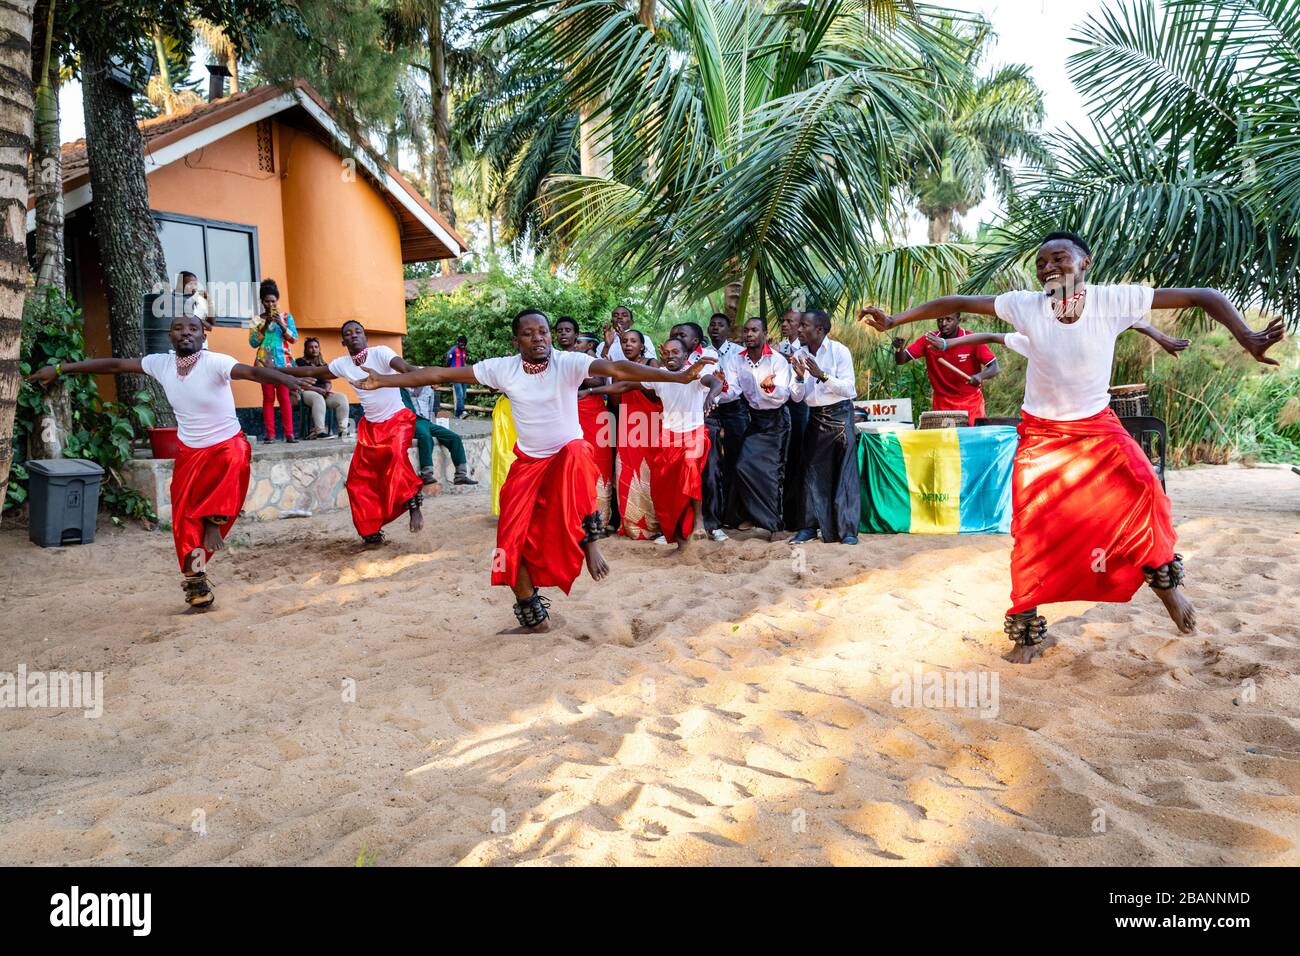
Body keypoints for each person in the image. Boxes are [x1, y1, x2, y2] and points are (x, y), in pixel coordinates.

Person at [860, 230, 1285, 663]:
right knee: (1030, 529)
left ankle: (1166, 585)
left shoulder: (1112, 300)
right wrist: (896, 322)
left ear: (1086, 262)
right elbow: (955, 302)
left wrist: (1247, 337)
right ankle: (1025, 635)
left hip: (1098, 427)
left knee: (1145, 489)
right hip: (1042, 434)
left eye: (1058, 258)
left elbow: (1204, 295)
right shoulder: (1025, 306)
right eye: (1040, 263)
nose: (1047, 268)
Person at [354, 308, 715, 632]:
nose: (539, 338)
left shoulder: (568, 362)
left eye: (543, 331)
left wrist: (680, 379)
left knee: (576, 450)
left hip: (568, 460)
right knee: (509, 544)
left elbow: (618, 368)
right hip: (528, 465)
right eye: (529, 333)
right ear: (517, 340)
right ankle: (532, 614)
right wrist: (382, 381)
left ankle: (589, 542)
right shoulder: (502, 368)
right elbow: (438, 374)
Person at [27, 314, 302, 608]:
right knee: (183, 519)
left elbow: (251, 372)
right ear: (170, 337)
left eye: (193, 329)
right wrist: (59, 368)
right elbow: (115, 365)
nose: (186, 333)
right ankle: (196, 580)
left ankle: (214, 521)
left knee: (236, 455)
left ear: (203, 336)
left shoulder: (216, 362)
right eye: (178, 329)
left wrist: (288, 379)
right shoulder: (162, 364)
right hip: (190, 452)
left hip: (225, 444)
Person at [284, 320, 425, 545]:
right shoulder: (342, 364)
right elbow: (311, 370)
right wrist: (275, 372)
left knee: (396, 457)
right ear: (343, 341)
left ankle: (413, 504)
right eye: (348, 334)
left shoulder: (381, 353)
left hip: (397, 420)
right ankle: (371, 531)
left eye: (358, 332)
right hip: (371, 428)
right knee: (358, 481)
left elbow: (405, 368)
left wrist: (419, 380)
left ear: (365, 336)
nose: (354, 336)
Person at [790, 310, 861, 545]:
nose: (799, 330)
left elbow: (850, 389)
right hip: (816, 416)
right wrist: (800, 378)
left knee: (844, 473)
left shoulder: (839, 351)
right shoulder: (798, 354)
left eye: (804, 326)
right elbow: (797, 397)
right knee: (811, 473)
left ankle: (847, 531)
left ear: (819, 330)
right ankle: (809, 527)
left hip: (840, 415)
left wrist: (822, 376)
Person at [725, 317, 794, 538]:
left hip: (777, 421)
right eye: (746, 331)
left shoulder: (777, 361)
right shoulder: (737, 360)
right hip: (754, 420)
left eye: (754, 330)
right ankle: (755, 517)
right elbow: (732, 392)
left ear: (764, 333)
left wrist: (770, 389)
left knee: (773, 474)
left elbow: (783, 396)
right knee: (743, 467)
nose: (749, 334)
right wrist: (721, 386)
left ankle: (775, 526)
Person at [892, 313, 999, 425]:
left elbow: (994, 367)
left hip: (970, 402)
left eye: (949, 320)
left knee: (971, 439)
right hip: (941, 403)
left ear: (959, 320)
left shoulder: (971, 340)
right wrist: (899, 349)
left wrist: (980, 376)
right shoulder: (929, 339)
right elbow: (901, 360)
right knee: (945, 440)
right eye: (940, 320)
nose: (943, 324)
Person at [702, 312, 747, 541]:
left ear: (729, 330)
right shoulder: (705, 354)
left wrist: (722, 391)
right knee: (712, 463)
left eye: (720, 325)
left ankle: (734, 515)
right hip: (711, 410)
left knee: (735, 461)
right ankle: (714, 516)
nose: (716, 328)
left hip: (734, 409)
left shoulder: (739, 352)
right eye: (713, 325)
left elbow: (741, 385)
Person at [572, 330, 615, 526]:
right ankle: (581, 514)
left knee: (599, 458)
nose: (575, 343)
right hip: (578, 412)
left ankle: (600, 515)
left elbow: (600, 381)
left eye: (579, 341)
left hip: (595, 413)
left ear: (590, 345)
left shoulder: (593, 361)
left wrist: (575, 376)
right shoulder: (571, 359)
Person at [248, 278, 299, 442]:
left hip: (283, 363)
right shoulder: (256, 319)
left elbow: (294, 339)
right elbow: (253, 342)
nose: (271, 304)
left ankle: (289, 434)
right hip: (265, 363)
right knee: (268, 398)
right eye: (267, 301)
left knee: (284, 397)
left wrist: (282, 325)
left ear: (277, 301)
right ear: (262, 302)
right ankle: (270, 435)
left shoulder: (286, 316)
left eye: (273, 301)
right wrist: (265, 324)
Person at [401, 385, 478, 489]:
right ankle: (426, 474)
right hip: (412, 421)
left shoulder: (429, 390)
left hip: (427, 421)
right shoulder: (403, 388)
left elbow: (430, 409)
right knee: (425, 436)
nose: (436, 385)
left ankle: (461, 475)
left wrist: (433, 424)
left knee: (453, 437)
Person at [778, 307, 808, 530]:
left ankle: (798, 515)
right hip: (781, 404)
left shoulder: (805, 350)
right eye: (783, 320)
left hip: (800, 406)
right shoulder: (780, 347)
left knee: (798, 456)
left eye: (790, 321)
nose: (785, 324)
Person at [294, 337, 351, 439]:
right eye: (310, 347)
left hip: (323, 392)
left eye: (316, 347)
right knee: (317, 398)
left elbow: (328, 381)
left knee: (342, 398)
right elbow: (299, 382)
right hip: (306, 391)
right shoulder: (300, 362)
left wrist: (327, 390)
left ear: (319, 349)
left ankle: (343, 430)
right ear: (306, 349)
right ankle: (320, 432)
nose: (314, 349)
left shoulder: (323, 365)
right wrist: (317, 390)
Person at [445, 335, 470, 419]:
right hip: (455, 375)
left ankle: (457, 414)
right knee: (460, 394)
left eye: (464, 344)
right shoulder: (453, 350)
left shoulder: (464, 351)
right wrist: (451, 370)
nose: (463, 345)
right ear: (458, 343)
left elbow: (464, 361)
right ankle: (461, 412)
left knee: (464, 395)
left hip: (463, 375)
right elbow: (448, 360)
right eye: (461, 344)